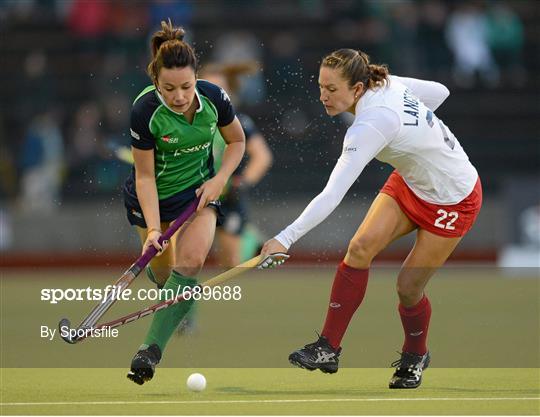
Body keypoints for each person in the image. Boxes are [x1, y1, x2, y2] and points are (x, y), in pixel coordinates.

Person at [261, 49, 482, 389]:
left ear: (359, 88)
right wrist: (416, 141)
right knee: (360, 248)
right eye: (321, 86)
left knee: (408, 287)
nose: (323, 96)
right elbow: (439, 92)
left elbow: (331, 195)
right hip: (410, 182)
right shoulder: (384, 85)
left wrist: (284, 238)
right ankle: (328, 347)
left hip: (454, 199)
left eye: (332, 89)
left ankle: (414, 355)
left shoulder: (371, 124)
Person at [123, 20, 245, 385]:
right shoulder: (145, 111)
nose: (179, 96)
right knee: (166, 273)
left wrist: (219, 180)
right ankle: (168, 284)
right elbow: (144, 177)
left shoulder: (214, 98)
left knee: (190, 263)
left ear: (197, 78)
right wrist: (155, 229)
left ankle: (148, 352)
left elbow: (236, 143)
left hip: (198, 196)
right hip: (154, 201)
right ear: (156, 82)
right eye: (169, 88)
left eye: (186, 87)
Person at [200, 62, 273, 267]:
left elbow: (262, 156)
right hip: (192, 195)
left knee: (230, 264)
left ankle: (248, 239)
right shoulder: (186, 122)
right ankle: (250, 236)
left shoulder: (237, 122)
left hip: (226, 197)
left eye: (219, 91)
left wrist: (242, 184)